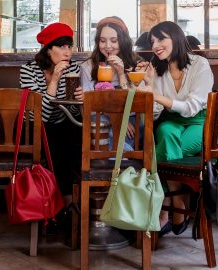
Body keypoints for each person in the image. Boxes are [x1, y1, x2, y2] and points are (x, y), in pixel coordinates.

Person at [139, 21, 218, 236]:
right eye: (153, 41)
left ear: (176, 38)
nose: (155, 45)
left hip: (203, 121)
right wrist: (150, 84)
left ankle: (169, 207)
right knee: (164, 131)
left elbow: (193, 107)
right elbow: (154, 113)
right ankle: (177, 201)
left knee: (164, 153)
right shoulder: (157, 69)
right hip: (173, 121)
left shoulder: (199, 65)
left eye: (161, 39)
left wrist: (156, 95)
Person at [20, 22, 83, 207]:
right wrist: (54, 79)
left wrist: (77, 100)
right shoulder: (28, 70)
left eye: (69, 46)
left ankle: (65, 201)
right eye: (62, 46)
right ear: (48, 49)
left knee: (74, 130)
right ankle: (63, 201)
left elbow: (72, 113)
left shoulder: (73, 69)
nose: (67, 52)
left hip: (61, 124)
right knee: (54, 133)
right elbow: (41, 116)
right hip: (31, 125)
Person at [80, 16, 142, 151]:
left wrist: (121, 74)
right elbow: (89, 104)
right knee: (110, 137)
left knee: (114, 142)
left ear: (123, 41)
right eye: (102, 41)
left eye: (114, 41)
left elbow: (138, 101)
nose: (108, 46)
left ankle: (124, 165)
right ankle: (130, 165)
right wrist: (118, 118)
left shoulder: (136, 64)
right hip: (100, 118)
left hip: (131, 119)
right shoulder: (88, 67)